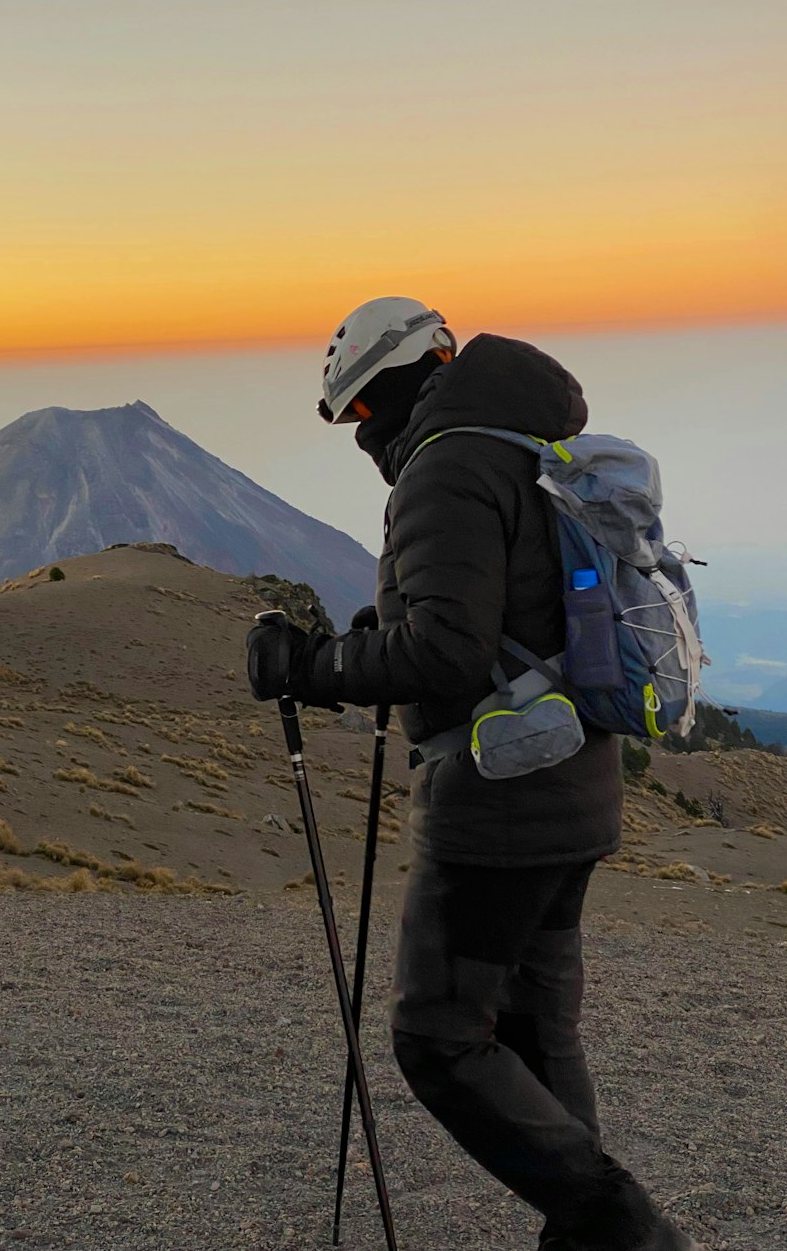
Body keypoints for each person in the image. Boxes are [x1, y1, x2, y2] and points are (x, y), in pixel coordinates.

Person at [246, 297, 704, 1251]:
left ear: (404, 379)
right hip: (575, 785)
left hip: (500, 804)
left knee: (439, 1036)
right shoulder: (519, 443)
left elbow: (448, 653)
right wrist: (393, 639)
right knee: (538, 1029)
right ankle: (597, 1239)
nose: (364, 434)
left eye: (365, 410)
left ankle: (624, 1229)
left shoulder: (446, 466)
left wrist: (316, 667)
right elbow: (491, 621)